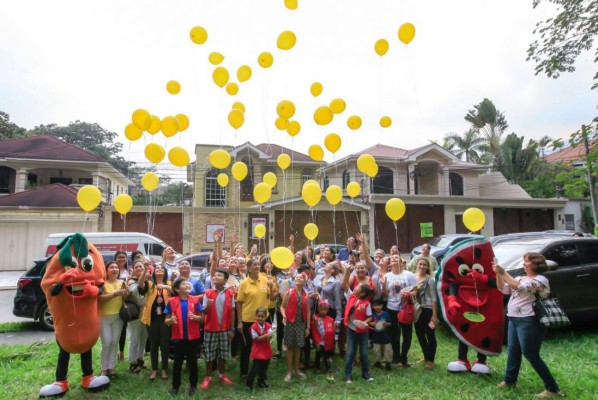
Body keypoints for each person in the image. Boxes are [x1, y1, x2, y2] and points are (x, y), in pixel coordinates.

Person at [493, 253, 563, 398]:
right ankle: (510, 381)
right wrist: (498, 274)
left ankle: (553, 389)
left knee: (531, 354)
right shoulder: (521, 277)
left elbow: (521, 288)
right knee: (513, 351)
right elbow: (503, 289)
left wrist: (503, 272)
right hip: (514, 319)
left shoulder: (540, 280)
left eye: (527, 261)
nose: (523, 264)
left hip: (529, 320)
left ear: (536, 264)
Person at [164, 278, 203, 396]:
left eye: (188, 283)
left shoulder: (195, 300)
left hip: (193, 338)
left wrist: (196, 318)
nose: (187, 284)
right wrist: (170, 320)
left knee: (192, 362)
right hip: (178, 338)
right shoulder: (171, 301)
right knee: (177, 363)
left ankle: (193, 385)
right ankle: (175, 386)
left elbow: (202, 319)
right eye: (183, 284)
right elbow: (166, 320)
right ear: (177, 289)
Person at [237, 258, 275, 378]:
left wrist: (272, 287)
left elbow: (273, 299)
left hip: (264, 319)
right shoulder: (244, 283)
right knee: (246, 347)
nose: (258, 266)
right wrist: (239, 322)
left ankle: (261, 370)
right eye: (254, 264)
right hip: (248, 319)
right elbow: (239, 303)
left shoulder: (265, 280)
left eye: (258, 264)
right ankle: (244, 372)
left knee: (263, 345)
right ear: (249, 268)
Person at [200, 269, 236, 390]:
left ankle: (221, 374)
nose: (215, 277)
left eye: (219, 275)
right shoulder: (208, 293)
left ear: (225, 280)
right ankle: (208, 377)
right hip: (210, 329)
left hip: (225, 329)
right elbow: (204, 312)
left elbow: (232, 311)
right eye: (214, 275)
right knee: (209, 355)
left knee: (223, 354)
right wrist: (208, 306)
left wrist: (232, 329)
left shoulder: (230, 293)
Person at [381, 254, 417, 366]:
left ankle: (403, 357)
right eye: (391, 258)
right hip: (392, 308)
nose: (394, 258)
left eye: (396, 257)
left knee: (407, 334)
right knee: (394, 334)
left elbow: (415, 291)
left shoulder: (409, 275)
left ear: (401, 261)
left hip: (406, 308)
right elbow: (385, 295)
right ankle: (396, 357)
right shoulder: (387, 276)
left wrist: (408, 294)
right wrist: (383, 286)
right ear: (389, 264)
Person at [139, 263, 172, 381]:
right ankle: (154, 369)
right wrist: (145, 270)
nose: (159, 269)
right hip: (151, 318)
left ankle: (164, 369)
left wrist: (165, 287)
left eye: (162, 268)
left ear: (165, 272)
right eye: (157, 268)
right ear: (153, 272)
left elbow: (174, 293)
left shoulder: (169, 283)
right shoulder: (149, 283)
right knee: (153, 345)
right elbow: (140, 285)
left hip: (166, 318)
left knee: (164, 344)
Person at [98, 261, 128, 378]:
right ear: (106, 270)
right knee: (106, 343)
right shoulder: (102, 284)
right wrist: (115, 294)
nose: (115, 269)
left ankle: (111, 367)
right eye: (112, 267)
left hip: (118, 317)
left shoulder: (123, 282)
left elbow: (125, 299)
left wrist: (125, 294)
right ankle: (104, 369)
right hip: (104, 317)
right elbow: (99, 300)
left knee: (115, 342)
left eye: (116, 267)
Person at [343, 275, 374, 383]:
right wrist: (347, 271)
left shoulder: (367, 304)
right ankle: (348, 374)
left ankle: (365, 373)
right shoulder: (351, 296)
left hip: (363, 332)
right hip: (351, 330)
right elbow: (344, 284)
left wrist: (364, 323)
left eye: (357, 287)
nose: (355, 287)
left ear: (362, 293)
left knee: (364, 353)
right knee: (351, 352)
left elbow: (370, 317)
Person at [280, 272, 311, 382]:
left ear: (304, 281)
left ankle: (297, 369)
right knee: (289, 347)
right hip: (289, 323)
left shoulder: (306, 294)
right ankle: (289, 371)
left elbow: (307, 311)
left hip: (300, 324)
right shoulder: (289, 292)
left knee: (298, 347)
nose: (298, 279)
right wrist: (284, 316)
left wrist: (308, 327)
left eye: (300, 278)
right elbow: (282, 307)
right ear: (294, 280)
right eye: (296, 277)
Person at [413, 258, 439, 369]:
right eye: (420, 264)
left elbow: (434, 298)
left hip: (428, 310)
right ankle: (426, 355)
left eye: (424, 265)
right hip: (417, 309)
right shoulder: (413, 277)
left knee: (430, 335)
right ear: (417, 265)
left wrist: (434, 315)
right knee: (419, 334)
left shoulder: (430, 280)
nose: (422, 266)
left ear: (428, 267)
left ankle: (431, 360)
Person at [126, 260, 149, 374]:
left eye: (141, 266)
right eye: (137, 267)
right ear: (133, 269)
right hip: (136, 313)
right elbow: (137, 294)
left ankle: (140, 358)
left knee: (143, 337)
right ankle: (132, 362)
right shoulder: (131, 281)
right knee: (134, 338)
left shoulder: (148, 280)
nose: (139, 268)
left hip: (146, 313)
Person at [246, 307, 273, 390]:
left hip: (266, 350)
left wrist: (269, 337)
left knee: (264, 368)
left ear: (265, 317)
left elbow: (270, 337)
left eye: (262, 316)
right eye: (258, 316)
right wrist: (266, 336)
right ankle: (249, 383)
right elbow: (256, 339)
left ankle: (261, 382)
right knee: (255, 368)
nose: (260, 318)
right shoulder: (253, 327)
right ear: (256, 316)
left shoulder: (268, 326)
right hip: (257, 351)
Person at [311, 300, 336, 378]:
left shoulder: (330, 319)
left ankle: (328, 366)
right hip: (319, 341)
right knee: (318, 354)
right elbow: (314, 327)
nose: (323, 311)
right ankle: (317, 367)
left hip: (327, 342)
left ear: (328, 310)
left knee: (327, 354)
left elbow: (332, 330)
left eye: (325, 310)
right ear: (318, 309)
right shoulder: (316, 318)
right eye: (321, 309)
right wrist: (315, 321)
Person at [114, 250, 129, 362]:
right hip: (113, 303)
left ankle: (122, 352)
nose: (122, 259)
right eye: (119, 257)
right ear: (115, 259)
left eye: (124, 257)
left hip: (125, 303)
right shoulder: (112, 270)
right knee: (114, 330)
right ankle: (113, 352)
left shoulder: (129, 272)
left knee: (123, 328)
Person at [369, 295, 392, 370]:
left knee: (387, 349)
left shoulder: (386, 314)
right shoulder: (372, 315)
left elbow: (390, 323)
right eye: (375, 305)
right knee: (376, 349)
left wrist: (386, 324)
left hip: (386, 336)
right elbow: (369, 322)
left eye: (379, 305)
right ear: (372, 306)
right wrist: (371, 323)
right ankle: (377, 362)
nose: (377, 307)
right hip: (376, 336)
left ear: (382, 305)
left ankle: (388, 363)